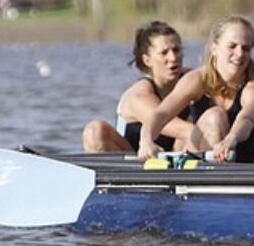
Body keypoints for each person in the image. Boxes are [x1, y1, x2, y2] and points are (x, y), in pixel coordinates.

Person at [138, 14, 254, 163]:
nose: (239, 54)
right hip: (199, 158)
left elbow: (246, 119)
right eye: (232, 46)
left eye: (245, 48)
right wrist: (146, 140)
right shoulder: (197, 79)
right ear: (214, 48)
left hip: (239, 163)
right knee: (215, 116)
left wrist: (230, 139)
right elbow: (161, 114)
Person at [82, 21, 195, 153]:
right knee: (95, 131)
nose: (173, 57)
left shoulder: (193, 79)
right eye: (164, 53)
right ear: (147, 60)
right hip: (136, 159)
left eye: (176, 50)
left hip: (179, 154)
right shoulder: (139, 95)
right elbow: (169, 125)